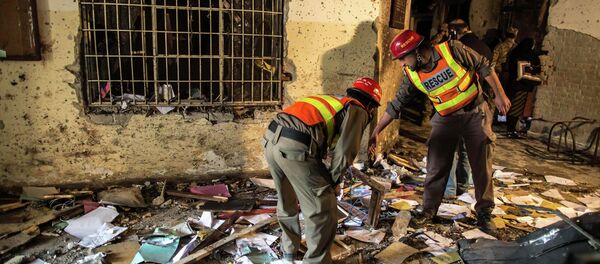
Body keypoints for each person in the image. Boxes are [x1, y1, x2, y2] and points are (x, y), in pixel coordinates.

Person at [368, 30, 511, 234]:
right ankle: (428, 211)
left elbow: (485, 67)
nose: (402, 64)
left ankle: (485, 214)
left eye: (403, 58)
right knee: (436, 166)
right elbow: (397, 104)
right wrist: (376, 131)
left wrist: (500, 95)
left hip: (475, 111)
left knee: (481, 165)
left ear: (417, 52)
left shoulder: (452, 50)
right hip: (445, 118)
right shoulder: (411, 73)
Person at [263, 78, 381, 263]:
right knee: (322, 209)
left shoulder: (334, 101)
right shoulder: (358, 109)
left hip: (271, 140)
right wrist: (332, 183)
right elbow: (344, 154)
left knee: (286, 201)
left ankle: (288, 255)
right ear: (372, 107)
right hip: (295, 148)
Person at [506, 38, 540, 137]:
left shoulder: (515, 52)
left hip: (512, 83)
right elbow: (533, 70)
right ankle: (511, 130)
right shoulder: (529, 55)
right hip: (522, 86)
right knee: (516, 109)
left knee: (511, 107)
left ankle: (509, 128)